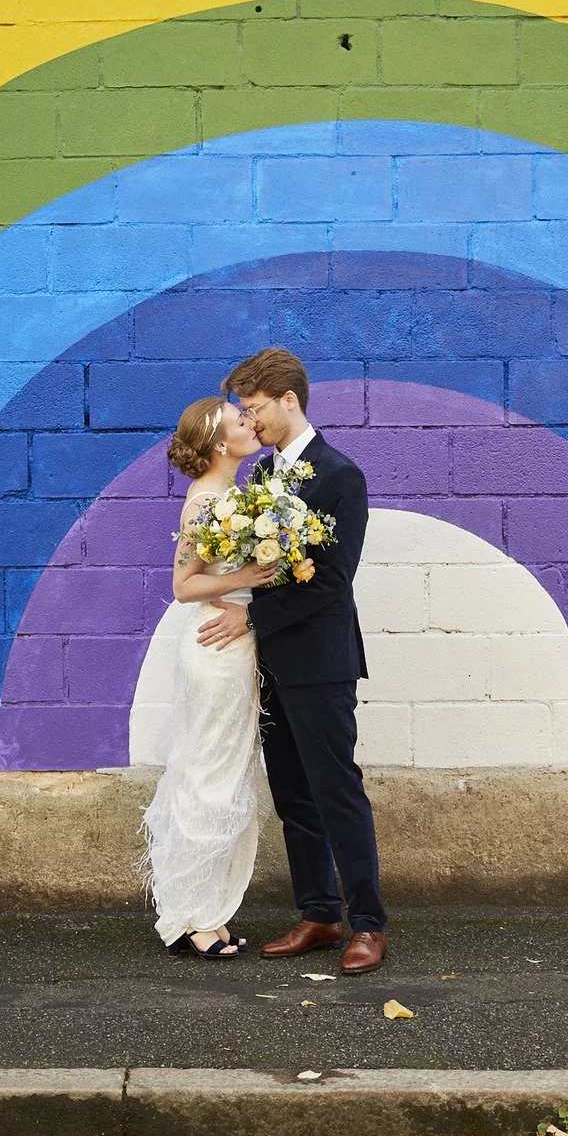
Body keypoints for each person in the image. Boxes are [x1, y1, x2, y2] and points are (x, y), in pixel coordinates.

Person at [194, 347, 386, 975]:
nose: (252, 423)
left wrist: (250, 616)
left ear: (289, 401)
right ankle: (320, 913)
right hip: (270, 663)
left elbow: (331, 580)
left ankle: (368, 924)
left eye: (256, 410)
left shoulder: (340, 476)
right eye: (244, 412)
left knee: (336, 792)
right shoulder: (263, 480)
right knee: (293, 796)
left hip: (321, 662)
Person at [142, 396, 276, 958]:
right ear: (221, 443)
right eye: (240, 420)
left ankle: (209, 909)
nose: (251, 422)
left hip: (238, 647)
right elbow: (183, 586)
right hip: (214, 651)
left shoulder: (240, 496)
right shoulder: (203, 504)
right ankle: (189, 916)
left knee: (227, 771)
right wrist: (247, 574)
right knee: (205, 774)